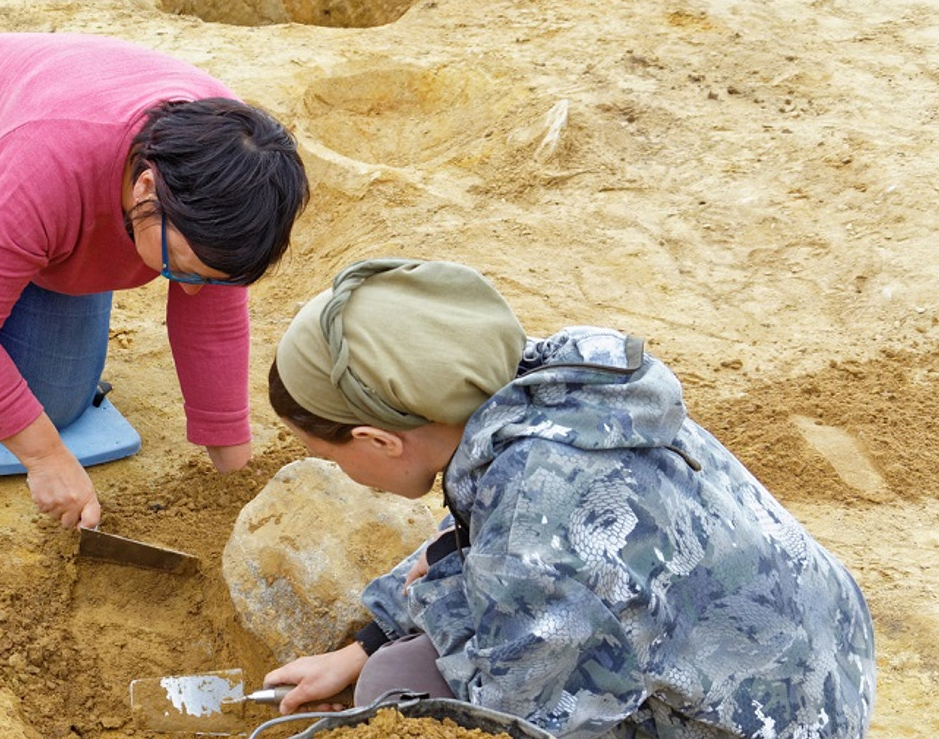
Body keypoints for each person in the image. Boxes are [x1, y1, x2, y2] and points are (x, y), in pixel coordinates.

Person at [259, 259, 875, 738]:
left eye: (331, 455)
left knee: (401, 692)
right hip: (821, 664)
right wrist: (364, 644)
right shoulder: (551, 395)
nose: (338, 470)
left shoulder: (535, 525)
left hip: (759, 722)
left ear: (377, 440)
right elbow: (487, 540)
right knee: (393, 659)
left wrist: (438, 594)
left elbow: (515, 717)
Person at [0, 32, 310, 529]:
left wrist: (236, 476)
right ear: (146, 188)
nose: (190, 289)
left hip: (30, 199)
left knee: (55, 407)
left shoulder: (239, 184)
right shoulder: (50, 166)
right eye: (179, 267)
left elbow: (213, 324)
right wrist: (45, 459)